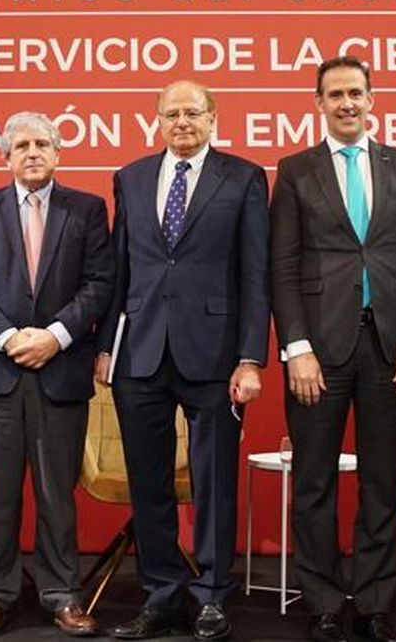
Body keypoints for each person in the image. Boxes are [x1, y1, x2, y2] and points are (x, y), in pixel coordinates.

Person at [269, 55, 396, 642]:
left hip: (392, 348)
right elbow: (282, 267)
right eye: (336, 94)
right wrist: (296, 347)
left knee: (381, 482)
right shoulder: (295, 170)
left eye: (356, 93)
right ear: (318, 102)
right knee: (313, 481)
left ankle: (372, 603)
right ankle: (322, 601)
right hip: (317, 350)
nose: (347, 103)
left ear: (372, 99)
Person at [96, 80, 268, 642]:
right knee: (149, 484)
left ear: (213, 117)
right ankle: (162, 596)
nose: (182, 122)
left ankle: (212, 594)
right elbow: (121, 269)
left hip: (215, 355)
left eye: (193, 112)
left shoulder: (243, 177)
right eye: (172, 113)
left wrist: (250, 357)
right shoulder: (131, 177)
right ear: (158, 120)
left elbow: (255, 274)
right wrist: (106, 346)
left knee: (213, 481)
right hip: (140, 353)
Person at [0, 111, 114, 637]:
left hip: (60, 367)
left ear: (58, 153)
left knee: (56, 495)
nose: (32, 152)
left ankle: (62, 594)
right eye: (21, 146)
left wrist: (55, 336)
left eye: (42, 144)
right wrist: (8, 337)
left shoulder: (87, 209)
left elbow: (99, 282)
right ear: (6, 157)